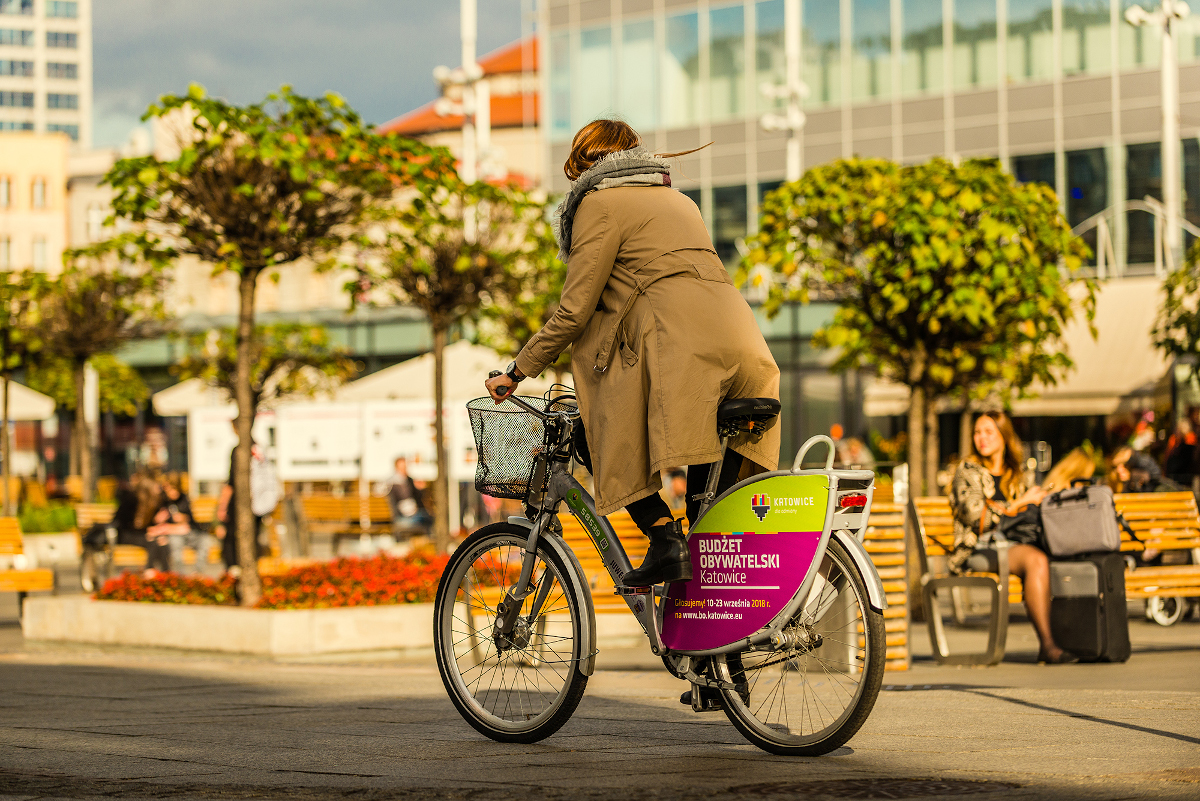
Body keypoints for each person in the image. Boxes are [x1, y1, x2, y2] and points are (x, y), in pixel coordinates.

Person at [484, 119, 780, 586]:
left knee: (593, 433)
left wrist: (517, 371)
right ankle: (705, 585)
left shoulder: (598, 204)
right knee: (708, 510)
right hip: (744, 345)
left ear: (583, 163)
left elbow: (575, 311)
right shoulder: (680, 200)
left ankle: (663, 537)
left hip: (678, 345)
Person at [948, 411, 1076, 664]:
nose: (981, 438)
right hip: (977, 548)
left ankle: (1073, 639)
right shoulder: (968, 471)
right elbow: (976, 517)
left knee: (1058, 558)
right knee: (1036, 561)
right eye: (977, 432)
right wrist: (1020, 503)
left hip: (1017, 544)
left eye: (988, 432)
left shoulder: (1018, 471)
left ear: (1004, 436)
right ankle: (1048, 645)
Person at [145, 475, 194, 575]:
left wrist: (182, 519)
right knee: (161, 542)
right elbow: (152, 524)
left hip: (177, 534)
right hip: (164, 533)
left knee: (167, 542)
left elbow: (187, 526)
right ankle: (163, 573)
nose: (170, 491)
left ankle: (170, 574)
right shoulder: (162, 500)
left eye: (172, 488)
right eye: (167, 488)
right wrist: (157, 520)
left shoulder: (183, 499)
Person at [387, 456, 431, 538]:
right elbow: (402, 505)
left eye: (405, 467)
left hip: (414, 514)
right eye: (402, 468)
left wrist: (420, 489)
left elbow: (418, 498)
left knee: (428, 517)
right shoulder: (394, 483)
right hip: (403, 517)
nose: (404, 470)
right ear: (396, 468)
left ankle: (426, 541)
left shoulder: (409, 481)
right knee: (426, 519)